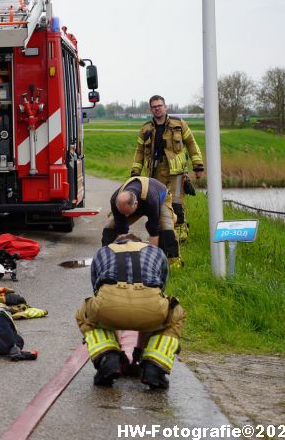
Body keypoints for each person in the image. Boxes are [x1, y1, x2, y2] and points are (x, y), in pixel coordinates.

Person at [75, 233, 186, 389]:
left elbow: (100, 295)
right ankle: (154, 366)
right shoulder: (156, 252)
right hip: (150, 307)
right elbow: (157, 292)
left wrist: (118, 353)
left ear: (117, 243)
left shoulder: (103, 252)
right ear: (140, 243)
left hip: (109, 306)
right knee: (173, 314)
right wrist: (138, 354)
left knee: (88, 314)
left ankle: (109, 357)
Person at [131, 95, 204, 241]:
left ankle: (180, 236)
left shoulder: (179, 124)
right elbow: (139, 151)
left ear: (166, 107)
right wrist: (135, 172)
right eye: (154, 107)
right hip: (155, 172)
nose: (157, 109)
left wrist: (198, 166)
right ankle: (162, 233)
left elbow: (191, 143)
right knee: (158, 204)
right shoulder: (145, 128)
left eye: (160, 105)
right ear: (150, 109)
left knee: (176, 204)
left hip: (176, 173)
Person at [102, 176, 181, 266]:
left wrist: (151, 260)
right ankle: (108, 260)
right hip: (137, 202)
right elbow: (122, 230)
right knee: (110, 226)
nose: (126, 216)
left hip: (161, 199)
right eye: (122, 213)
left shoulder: (151, 201)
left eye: (127, 213)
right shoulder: (115, 200)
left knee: (165, 228)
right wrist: (122, 257)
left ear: (136, 204)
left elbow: (153, 232)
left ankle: (170, 263)